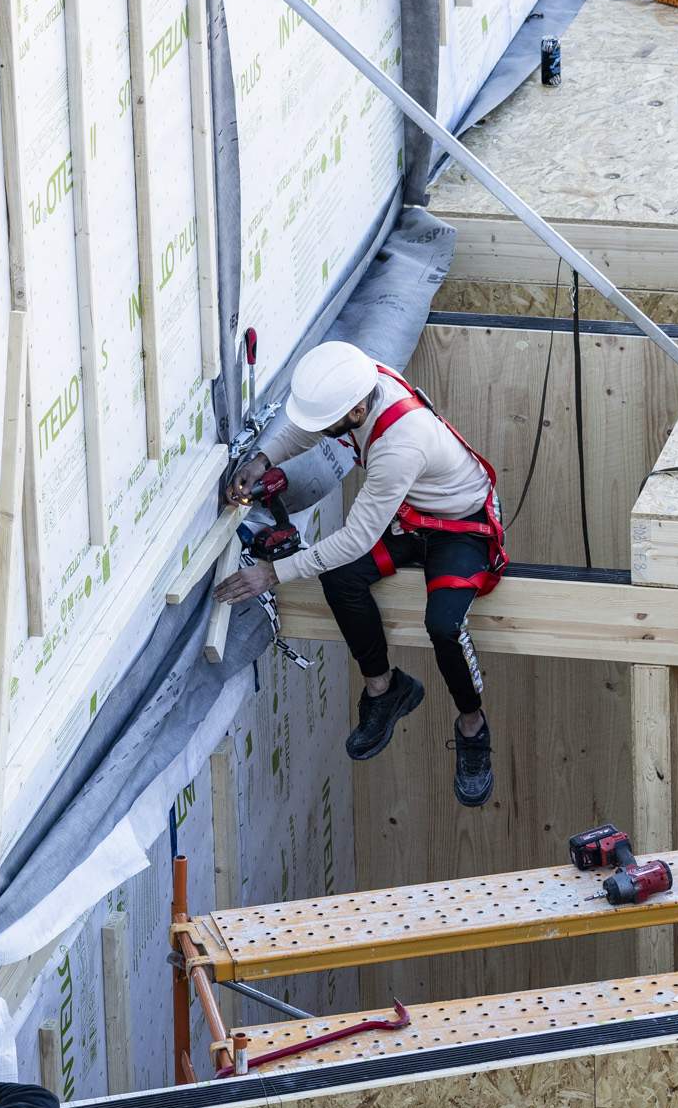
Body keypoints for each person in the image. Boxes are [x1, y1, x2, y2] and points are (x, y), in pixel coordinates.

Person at [213, 339, 509, 805]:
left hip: (460, 527)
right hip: (413, 513)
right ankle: (384, 689)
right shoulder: (356, 379)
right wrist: (262, 458)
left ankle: (472, 725)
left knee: (444, 626)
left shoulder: (399, 446)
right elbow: (306, 428)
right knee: (341, 577)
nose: (322, 432)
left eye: (330, 425)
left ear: (355, 413)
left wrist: (273, 573)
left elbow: (354, 539)